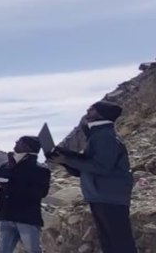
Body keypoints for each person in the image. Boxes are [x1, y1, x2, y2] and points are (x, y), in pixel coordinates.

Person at [49, 101, 137, 253]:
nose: (88, 110)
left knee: (119, 241)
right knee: (111, 241)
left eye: (92, 109)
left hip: (109, 194)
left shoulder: (104, 137)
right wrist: (64, 160)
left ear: (101, 114)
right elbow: (84, 168)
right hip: (101, 194)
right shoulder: (99, 135)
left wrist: (67, 160)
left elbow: (101, 167)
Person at [0, 136, 51, 253]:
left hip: (26, 217)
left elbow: (41, 192)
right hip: (5, 215)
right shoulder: (6, 165)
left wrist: (11, 186)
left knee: (32, 250)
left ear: (27, 147)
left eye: (19, 142)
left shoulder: (40, 169)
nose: (16, 143)